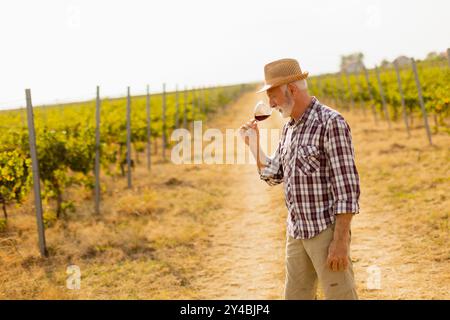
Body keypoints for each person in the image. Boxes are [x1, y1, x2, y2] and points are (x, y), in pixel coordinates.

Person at [239, 58, 360, 300]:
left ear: (292, 90)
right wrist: (253, 144)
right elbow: (274, 175)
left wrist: (340, 242)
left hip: (325, 231)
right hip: (296, 231)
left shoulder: (330, 122)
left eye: (273, 96)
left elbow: (347, 190)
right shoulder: (289, 128)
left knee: (340, 296)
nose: (270, 104)